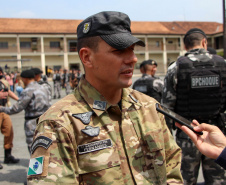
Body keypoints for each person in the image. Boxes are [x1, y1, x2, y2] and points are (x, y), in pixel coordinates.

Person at [27, 11, 183, 184]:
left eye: (132, 49)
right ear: (87, 57)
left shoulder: (149, 107)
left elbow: (172, 170)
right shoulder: (58, 123)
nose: (133, 58)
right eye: (119, 51)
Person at [162, 28, 226, 184]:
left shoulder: (175, 67)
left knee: (184, 179)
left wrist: (167, 142)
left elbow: (167, 107)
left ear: (185, 46)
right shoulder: (223, 64)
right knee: (217, 180)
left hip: (187, 134)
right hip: (217, 134)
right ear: (205, 42)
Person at [0, 69, 50, 154]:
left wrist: (1, 108)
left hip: (32, 124)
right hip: (45, 121)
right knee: (45, 146)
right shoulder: (44, 87)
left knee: (34, 148)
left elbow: (16, 108)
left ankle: (37, 167)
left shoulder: (28, 90)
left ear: (24, 79)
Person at [0, 90, 20, 169]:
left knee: (9, 132)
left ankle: (8, 156)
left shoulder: (3, 81)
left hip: (3, 109)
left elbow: (8, 91)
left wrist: (20, 100)